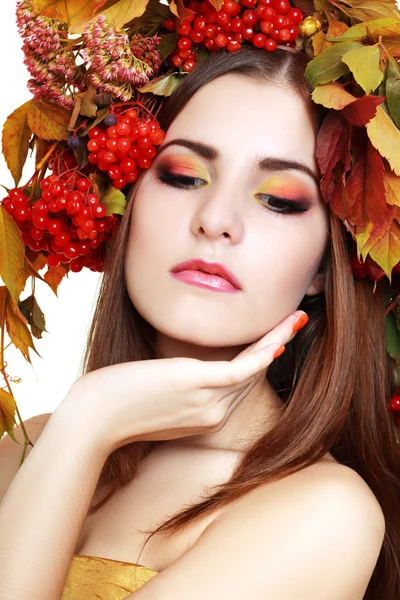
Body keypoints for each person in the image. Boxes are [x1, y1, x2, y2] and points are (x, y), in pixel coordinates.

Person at [0, 46, 399, 600]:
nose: (215, 220)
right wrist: (79, 431)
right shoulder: (30, 443)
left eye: (279, 200)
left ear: (326, 269)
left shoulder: (322, 513)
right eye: (184, 175)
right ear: (125, 199)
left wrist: (87, 421)